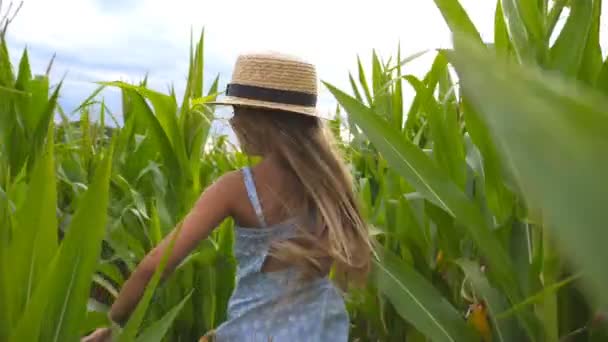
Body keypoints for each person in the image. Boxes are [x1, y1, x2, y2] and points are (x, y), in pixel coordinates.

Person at [83, 52, 371, 342]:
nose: (232, 123)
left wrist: (113, 324)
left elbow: (157, 264)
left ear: (262, 120)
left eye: (237, 111)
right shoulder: (332, 187)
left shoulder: (237, 188)